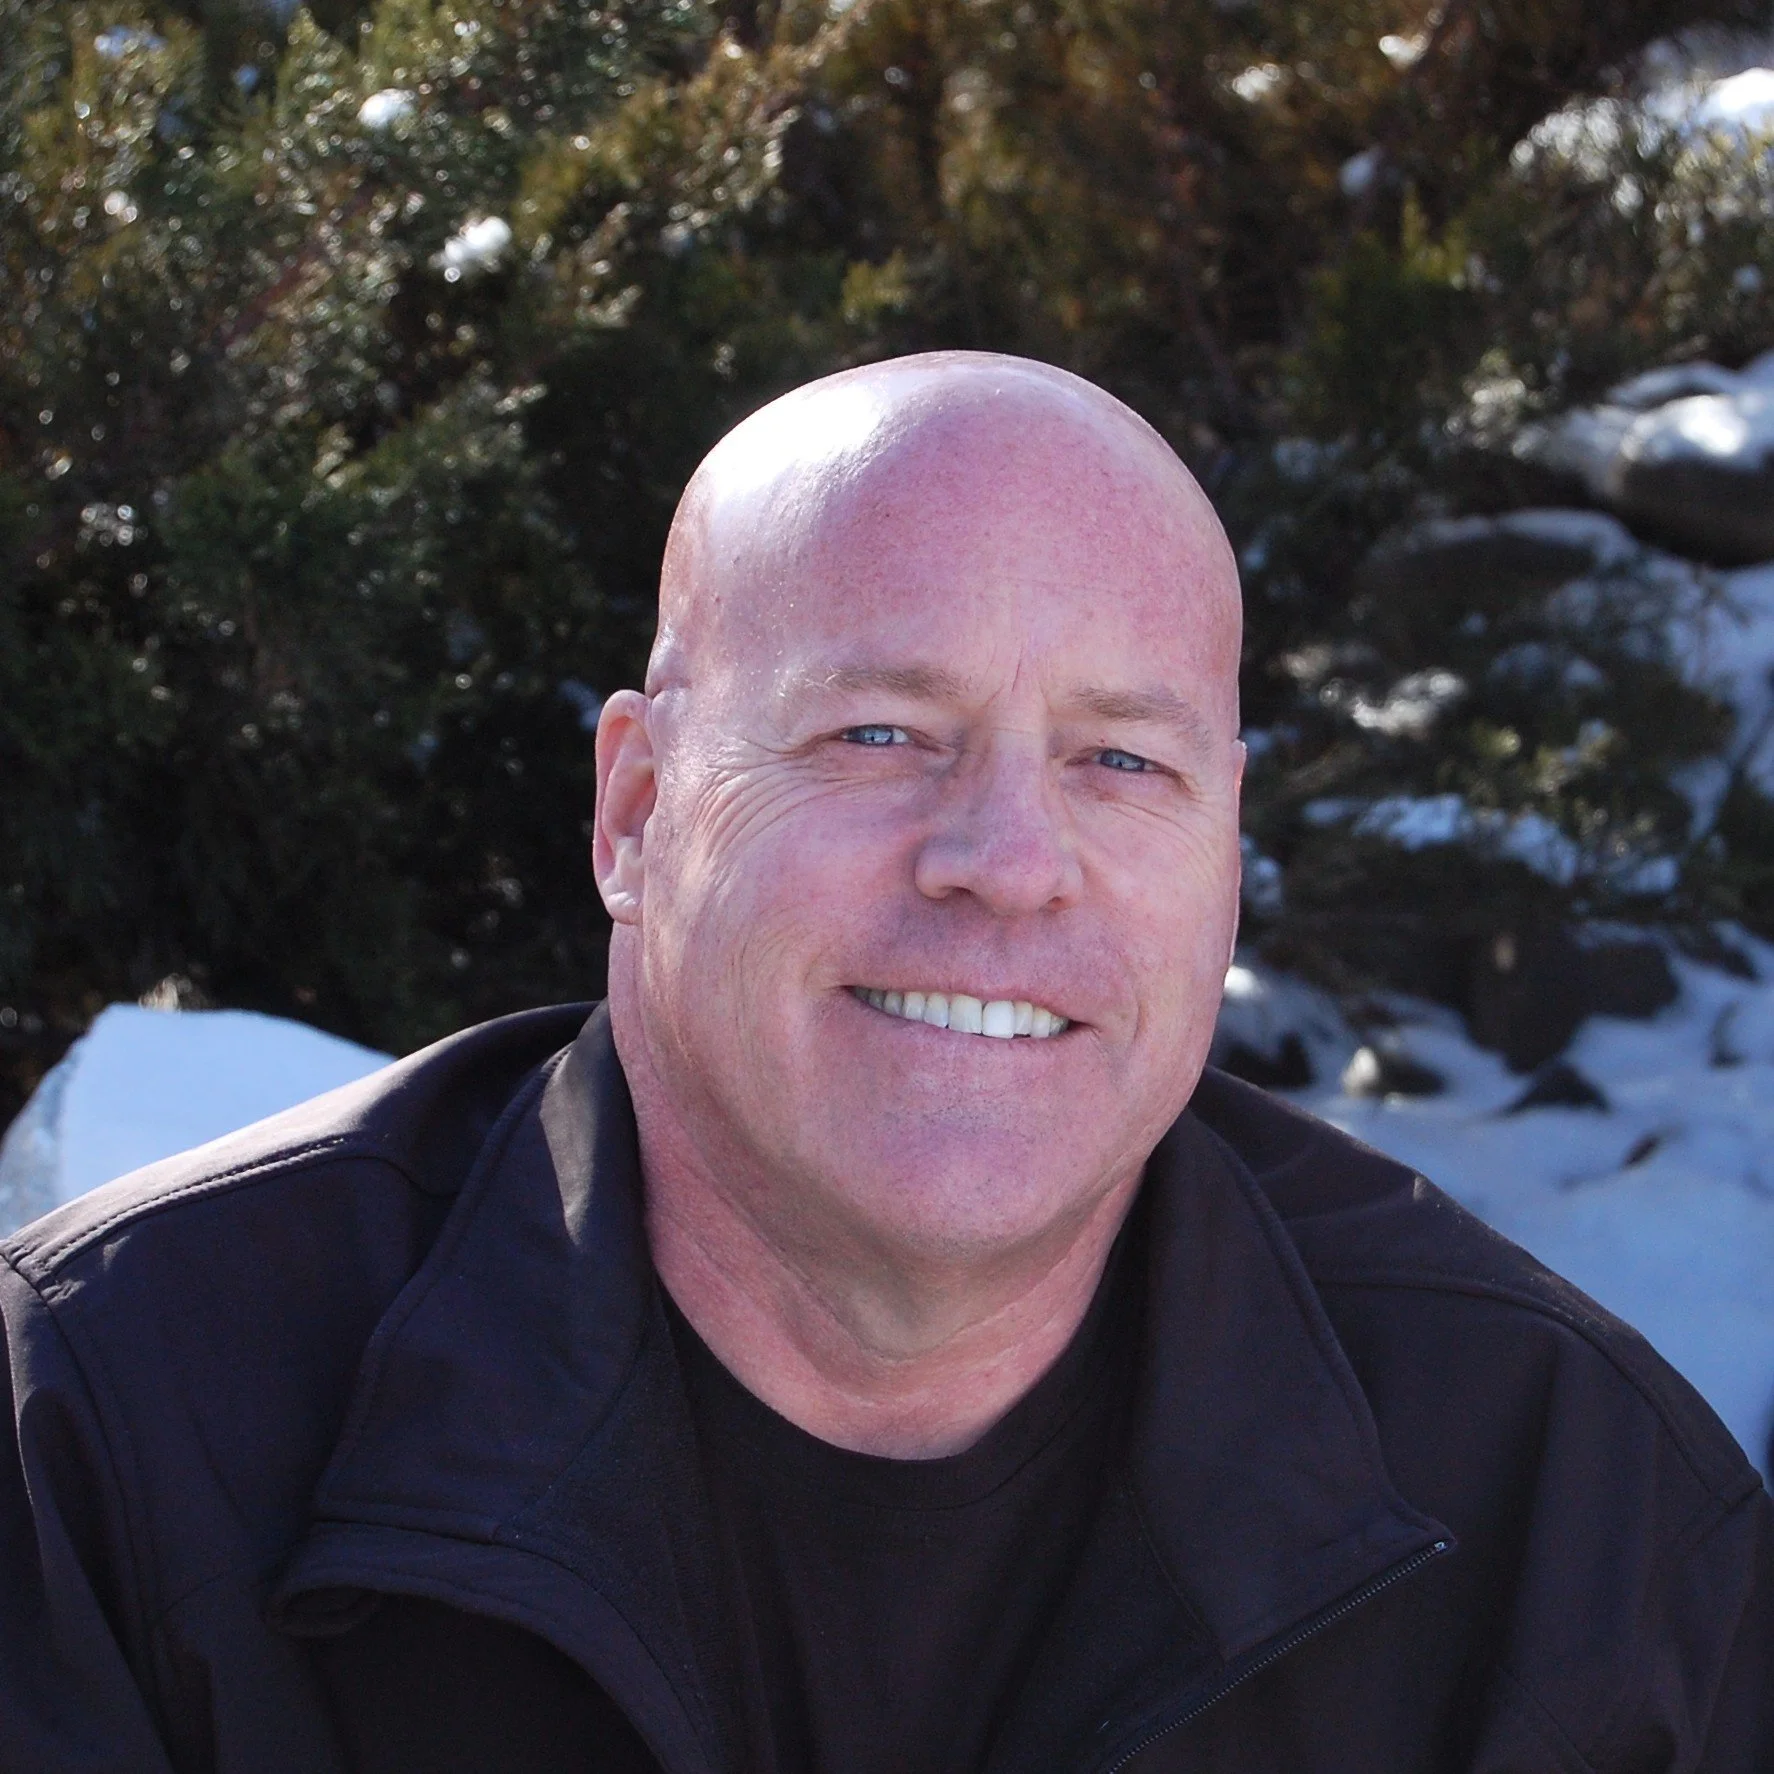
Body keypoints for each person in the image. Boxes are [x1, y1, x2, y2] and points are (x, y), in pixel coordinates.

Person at [1, 352, 1769, 1774]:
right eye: (879, 731)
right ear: (635, 810)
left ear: (1226, 842)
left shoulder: (1576, 1529)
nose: (1004, 857)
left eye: (1120, 761)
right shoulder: (116, 1434)